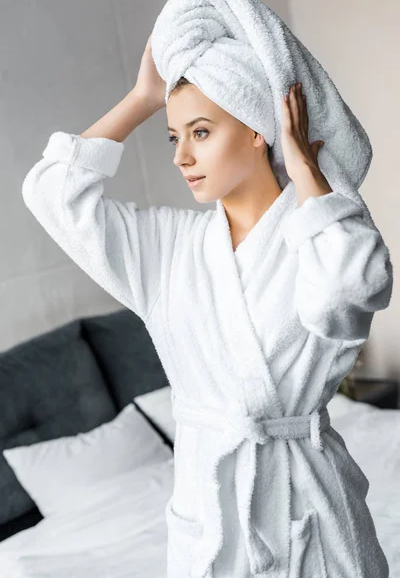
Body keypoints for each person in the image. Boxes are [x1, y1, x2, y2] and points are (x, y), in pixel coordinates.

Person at [22, 34, 393, 578]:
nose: (180, 156)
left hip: (309, 509)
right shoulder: (167, 249)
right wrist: (142, 98)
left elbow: (349, 289)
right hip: (212, 518)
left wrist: (306, 170)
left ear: (256, 130)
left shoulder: (322, 233)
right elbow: (52, 192)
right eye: (174, 135)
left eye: (200, 132)